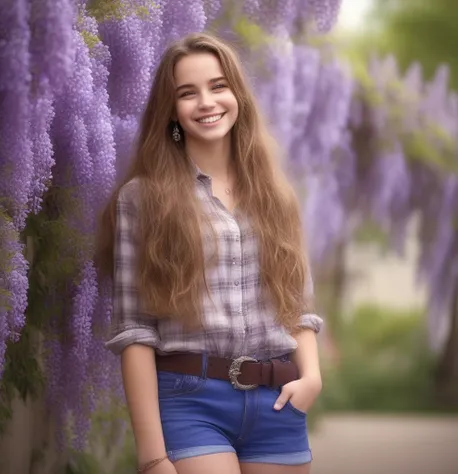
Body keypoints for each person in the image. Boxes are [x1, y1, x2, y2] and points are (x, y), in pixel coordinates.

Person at [96, 32, 324, 474]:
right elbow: (136, 332)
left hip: (277, 400)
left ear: (238, 94)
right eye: (187, 93)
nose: (206, 102)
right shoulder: (142, 200)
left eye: (218, 86)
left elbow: (297, 306)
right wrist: (152, 456)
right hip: (190, 401)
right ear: (172, 111)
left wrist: (311, 376)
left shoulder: (277, 196)